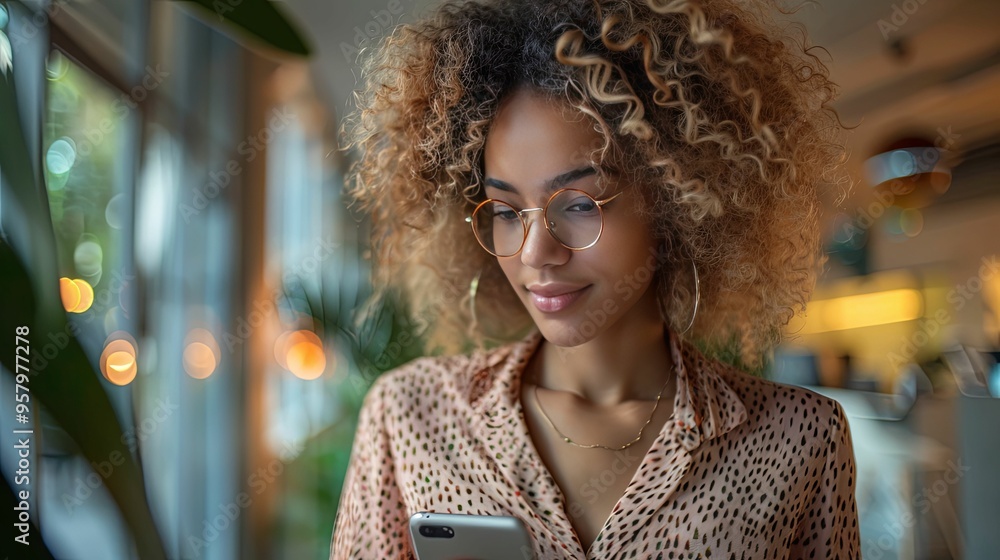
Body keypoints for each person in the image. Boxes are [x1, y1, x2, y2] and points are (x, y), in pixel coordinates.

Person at [331, 0, 859, 558]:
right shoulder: (410, 415)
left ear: (675, 203)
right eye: (506, 211)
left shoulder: (800, 437)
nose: (535, 253)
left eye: (580, 204)